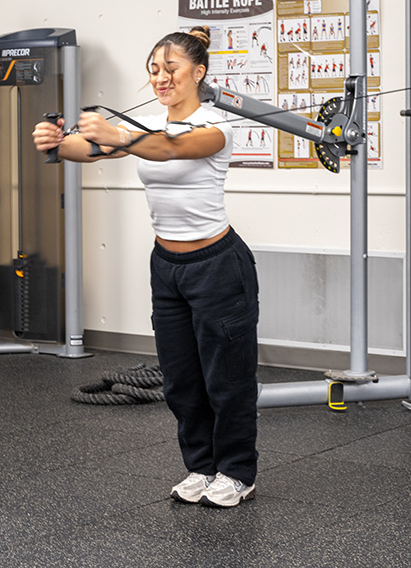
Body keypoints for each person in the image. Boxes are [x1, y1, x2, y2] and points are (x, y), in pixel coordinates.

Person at [32, 26, 259, 508]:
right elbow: (90, 150)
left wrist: (116, 134)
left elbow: (170, 148)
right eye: (154, 70)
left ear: (198, 72)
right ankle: (200, 466)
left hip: (218, 266)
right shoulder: (149, 125)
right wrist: (54, 141)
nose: (160, 78)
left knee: (227, 379)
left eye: (170, 69)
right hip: (168, 267)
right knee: (180, 378)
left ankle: (238, 472)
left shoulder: (217, 126)